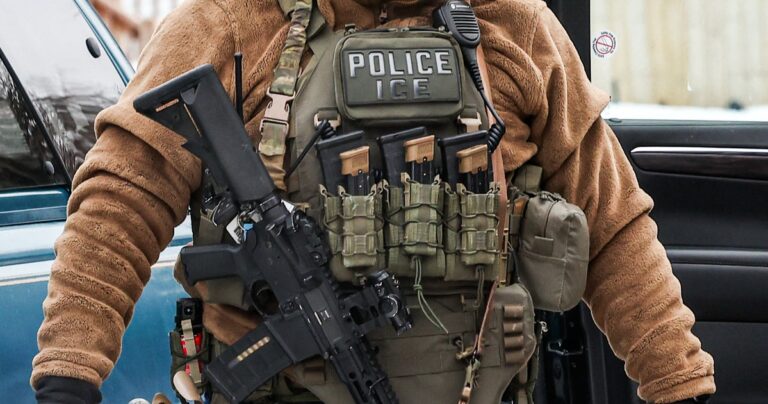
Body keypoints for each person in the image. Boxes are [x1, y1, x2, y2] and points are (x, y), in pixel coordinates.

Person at [32, 0, 715, 403]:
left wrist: (678, 384)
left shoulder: (513, 27)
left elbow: (614, 227)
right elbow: (120, 204)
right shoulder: (232, 21)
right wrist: (70, 374)